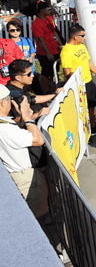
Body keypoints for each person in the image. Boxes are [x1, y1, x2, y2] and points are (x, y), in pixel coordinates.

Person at [0, 89, 48, 218]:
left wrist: (29, 117)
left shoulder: (5, 125)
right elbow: (38, 140)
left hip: (15, 177)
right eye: (9, 99)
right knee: (38, 219)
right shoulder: (5, 129)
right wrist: (27, 118)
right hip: (25, 181)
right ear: (2, 103)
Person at [61, 24, 96, 136]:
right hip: (78, 85)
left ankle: (93, 128)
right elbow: (67, 72)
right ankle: (84, 134)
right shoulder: (66, 51)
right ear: (75, 36)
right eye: (82, 35)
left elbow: (88, 63)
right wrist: (73, 85)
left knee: (91, 106)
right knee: (81, 110)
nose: (84, 37)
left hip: (88, 81)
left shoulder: (82, 46)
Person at [32, 2, 61, 92]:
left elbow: (54, 33)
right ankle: (44, 91)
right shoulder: (37, 23)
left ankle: (53, 88)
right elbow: (40, 40)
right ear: (42, 11)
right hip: (45, 53)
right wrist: (48, 53)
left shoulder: (48, 19)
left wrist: (60, 45)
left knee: (55, 71)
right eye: (48, 9)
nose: (50, 11)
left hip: (55, 50)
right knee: (46, 73)